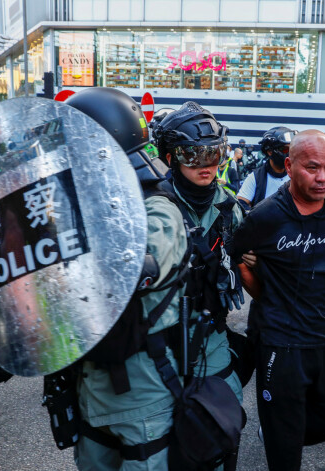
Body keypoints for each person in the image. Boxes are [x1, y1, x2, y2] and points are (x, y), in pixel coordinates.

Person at [64, 87, 189, 470]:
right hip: (89, 386)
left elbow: (134, 268)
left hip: (141, 393)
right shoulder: (78, 206)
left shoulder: (158, 209)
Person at [233, 130, 325, 471]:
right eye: (312, 167)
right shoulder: (266, 216)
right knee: (285, 457)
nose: (322, 177)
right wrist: (265, 291)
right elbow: (237, 255)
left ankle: (275, 430)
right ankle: (278, 434)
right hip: (280, 343)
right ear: (289, 165)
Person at [153, 101, 246, 432]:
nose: (206, 165)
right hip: (159, 341)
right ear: (170, 158)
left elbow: (268, 237)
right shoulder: (153, 206)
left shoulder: (228, 207)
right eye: (192, 155)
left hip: (211, 334)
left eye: (214, 153)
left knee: (221, 425)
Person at [237, 126, 295, 210]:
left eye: (292, 149)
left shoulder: (297, 175)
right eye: (285, 149)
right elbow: (240, 204)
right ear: (270, 151)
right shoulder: (256, 177)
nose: (290, 153)